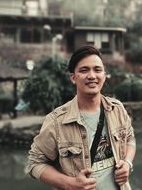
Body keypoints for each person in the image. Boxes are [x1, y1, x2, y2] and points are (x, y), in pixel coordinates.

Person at [26, 45, 136, 190]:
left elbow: (130, 139)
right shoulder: (56, 121)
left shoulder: (117, 109)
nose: (92, 76)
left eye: (97, 70)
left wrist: (127, 163)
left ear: (104, 75)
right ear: (73, 77)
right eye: (84, 70)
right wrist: (70, 184)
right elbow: (35, 164)